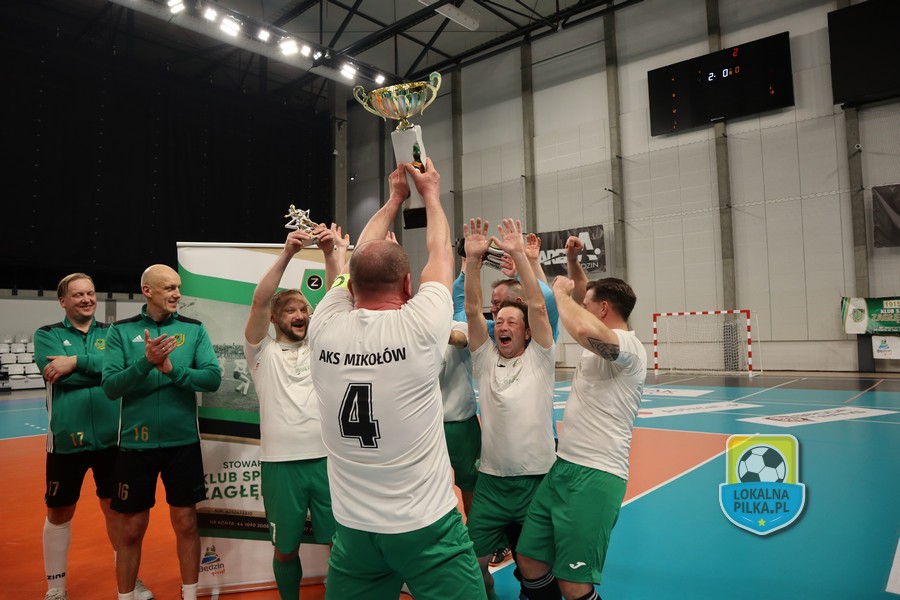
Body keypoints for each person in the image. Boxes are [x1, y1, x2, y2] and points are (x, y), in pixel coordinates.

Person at [308, 159, 485, 600]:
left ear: (349, 287)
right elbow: (441, 255)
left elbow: (359, 256)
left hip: (354, 530)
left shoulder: (323, 324)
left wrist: (393, 200)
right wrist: (429, 194)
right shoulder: (419, 328)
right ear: (408, 284)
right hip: (425, 525)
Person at [515, 262, 646, 600]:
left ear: (603, 309)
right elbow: (585, 306)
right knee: (529, 558)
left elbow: (583, 326)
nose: (580, 306)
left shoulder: (629, 347)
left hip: (596, 474)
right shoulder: (598, 337)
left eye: (586, 304)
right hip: (563, 467)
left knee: (573, 582)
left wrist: (560, 293)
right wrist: (573, 264)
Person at [101, 264, 222, 600]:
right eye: (169, 288)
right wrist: (145, 362)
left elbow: (212, 378)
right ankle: (126, 596)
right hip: (134, 446)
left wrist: (170, 369)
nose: (177, 294)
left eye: (178, 287)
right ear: (147, 291)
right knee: (131, 530)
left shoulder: (193, 329)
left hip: (183, 443)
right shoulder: (120, 331)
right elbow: (110, 387)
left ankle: (190, 594)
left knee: (186, 524)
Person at [33, 273, 153, 600]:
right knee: (59, 512)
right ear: (63, 301)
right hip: (65, 442)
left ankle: (129, 580)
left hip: (113, 441)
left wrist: (74, 362)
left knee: (116, 511)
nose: (86, 299)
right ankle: (56, 588)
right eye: (78, 295)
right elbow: (57, 376)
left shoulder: (112, 333)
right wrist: (101, 371)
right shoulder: (47, 334)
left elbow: (124, 368)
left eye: (90, 293)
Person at [243, 224, 340, 599]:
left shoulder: (321, 346)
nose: (301, 314)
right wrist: (287, 254)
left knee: (341, 544)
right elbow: (259, 301)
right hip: (280, 465)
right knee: (285, 549)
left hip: (327, 460)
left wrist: (330, 254)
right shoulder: (261, 352)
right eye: (290, 310)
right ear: (274, 318)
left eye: (304, 309)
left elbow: (337, 298)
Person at [463, 217, 557, 600]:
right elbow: (472, 310)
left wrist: (520, 255)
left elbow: (538, 305)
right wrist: (472, 261)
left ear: (527, 331)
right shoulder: (485, 359)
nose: (502, 325)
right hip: (491, 484)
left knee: (536, 566)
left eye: (512, 322)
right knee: (471, 564)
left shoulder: (541, 358)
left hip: (537, 482)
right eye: (498, 320)